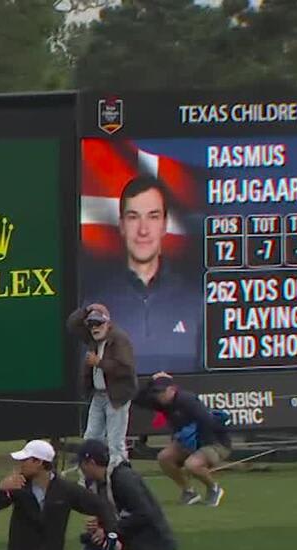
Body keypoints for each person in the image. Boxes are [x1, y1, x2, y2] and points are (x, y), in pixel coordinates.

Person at [90, 175, 199, 374]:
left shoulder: (197, 302)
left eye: (153, 216)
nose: (143, 230)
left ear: (165, 225)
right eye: (133, 217)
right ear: (122, 225)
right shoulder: (94, 304)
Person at [134, 374, 232, 507]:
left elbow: (207, 422)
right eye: (156, 392)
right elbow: (137, 400)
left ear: (172, 389)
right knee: (164, 458)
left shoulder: (187, 400)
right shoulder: (162, 403)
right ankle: (189, 492)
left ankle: (214, 488)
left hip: (215, 442)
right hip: (189, 441)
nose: (159, 395)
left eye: (162, 391)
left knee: (192, 464)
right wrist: (150, 381)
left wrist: (197, 449)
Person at [66, 303, 138, 467]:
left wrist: (99, 363)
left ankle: (120, 475)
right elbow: (72, 324)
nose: (94, 328)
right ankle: (88, 477)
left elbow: (126, 369)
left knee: (115, 441)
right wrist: (87, 309)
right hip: (98, 395)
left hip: (117, 396)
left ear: (107, 323)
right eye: (91, 324)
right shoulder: (93, 337)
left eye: (98, 323)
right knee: (90, 438)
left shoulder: (119, 339)